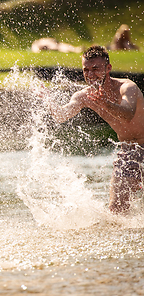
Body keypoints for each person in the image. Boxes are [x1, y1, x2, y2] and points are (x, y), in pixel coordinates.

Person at [45, 45, 144, 214]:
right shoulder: (84, 95)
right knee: (116, 211)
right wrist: (48, 101)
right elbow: (62, 115)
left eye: (95, 69)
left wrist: (106, 104)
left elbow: (128, 114)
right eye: (86, 70)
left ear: (108, 68)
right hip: (129, 151)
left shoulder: (127, 88)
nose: (90, 75)